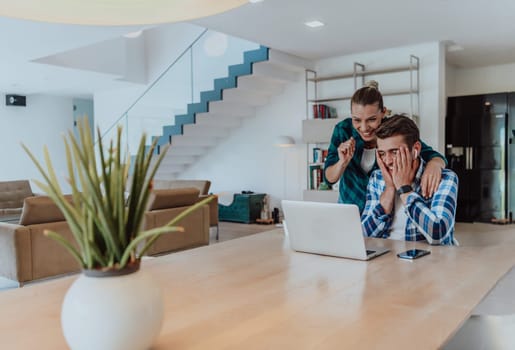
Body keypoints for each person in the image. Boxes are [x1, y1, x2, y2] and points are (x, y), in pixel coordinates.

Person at [324, 81, 446, 213]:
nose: (364, 128)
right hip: (349, 207)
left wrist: (434, 165)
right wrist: (342, 163)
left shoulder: (393, 129)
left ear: (383, 112)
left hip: (383, 209)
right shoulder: (343, 130)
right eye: (357, 120)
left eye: (371, 119)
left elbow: (433, 155)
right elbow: (329, 179)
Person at [361, 115, 458, 245]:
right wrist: (389, 190)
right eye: (382, 154)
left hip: (428, 261)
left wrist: (404, 189)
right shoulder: (377, 178)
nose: (387, 161)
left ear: (416, 150)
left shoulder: (445, 178)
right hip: (387, 258)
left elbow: (438, 235)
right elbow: (363, 235)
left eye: (394, 152)